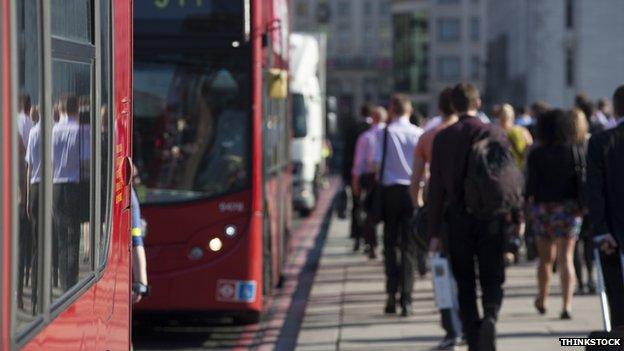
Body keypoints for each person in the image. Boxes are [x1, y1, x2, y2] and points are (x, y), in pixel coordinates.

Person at [427, 83, 509, 351]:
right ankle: (492, 315)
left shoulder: (442, 137)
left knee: (464, 280)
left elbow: (436, 188)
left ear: (452, 105)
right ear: (478, 102)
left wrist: (434, 231)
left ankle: (474, 339)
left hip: (458, 216)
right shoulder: (495, 133)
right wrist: (515, 219)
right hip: (492, 216)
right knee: (492, 274)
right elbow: (508, 181)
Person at [410, 88, 463, 350]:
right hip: (467, 209)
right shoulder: (471, 132)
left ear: (440, 108)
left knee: (442, 272)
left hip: (438, 208)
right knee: (465, 269)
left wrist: (419, 206)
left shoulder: (429, 136)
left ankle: (451, 328)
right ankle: (468, 322)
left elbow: (416, 180)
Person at [526, 109, 584, 320]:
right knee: (566, 257)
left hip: (543, 208)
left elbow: (530, 186)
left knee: (545, 259)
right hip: (568, 209)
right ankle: (566, 305)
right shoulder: (573, 150)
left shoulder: (537, 153)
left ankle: (542, 297)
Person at [374, 94, 422, 316]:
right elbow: (425, 167)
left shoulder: (385, 133)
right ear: (410, 110)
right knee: (409, 247)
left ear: (392, 110)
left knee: (390, 244)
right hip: (412, 192)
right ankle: (408, 299)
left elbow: (376, 165)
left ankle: (391, 295)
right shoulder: (418, 133)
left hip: (390, 192)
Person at [586, 85, 624, 330]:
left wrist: (600, 230)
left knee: (618, 301)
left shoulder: (601, 142)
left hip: (613, 232)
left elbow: (594, 190)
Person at [52, 95, 83, 291]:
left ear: (61, 109)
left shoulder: (53, 130)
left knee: (62, 237)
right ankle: (71, 285)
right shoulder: (80, 130)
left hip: (56, 186)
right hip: (73, 184)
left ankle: (64, 283)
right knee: (74, 236)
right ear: (76, 109)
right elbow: (86, 159)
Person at [351, 106, 388, 259]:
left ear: (372, 118)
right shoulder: (389, 133)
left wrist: (355, 182)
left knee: (370, 214)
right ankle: (389, 246)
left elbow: (358, 163)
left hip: (370, 178)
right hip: (388, 179)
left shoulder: (365, 137)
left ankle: (372, 245)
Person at [569, 108, 596, 295]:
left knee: (576, 243)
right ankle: (590, 277)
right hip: (590, 198)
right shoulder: (591, 142)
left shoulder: (566, 145)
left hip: (572, 199)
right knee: (588, 242)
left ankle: (580, 282)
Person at [342, 104, 374, 251]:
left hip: (355, 174)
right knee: (370, 208)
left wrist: (347, 177)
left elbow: (347, 153)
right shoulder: (374, 130)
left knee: (356, 206)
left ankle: (356, 236)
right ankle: (370, 240)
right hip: (371, 176)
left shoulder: (352, 129)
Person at [496, 103, 533, 169]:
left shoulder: (496, 132)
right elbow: (530, 146)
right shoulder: (522, 130)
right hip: (519, 168)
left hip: (504, 169)